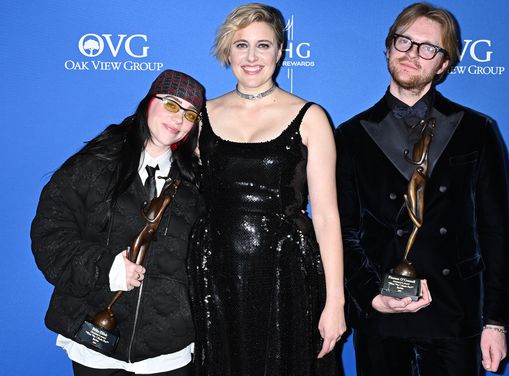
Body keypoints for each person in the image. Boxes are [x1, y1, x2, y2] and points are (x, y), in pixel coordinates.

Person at [335, 3, 509, 376]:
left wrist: (494, 322)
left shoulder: (477, 130)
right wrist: (371, 296)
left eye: (428, 47)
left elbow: (496, 232)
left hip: (455, 311)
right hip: (383, 313)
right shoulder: (350, 136)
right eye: (404, 42)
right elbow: (342, 231)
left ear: (444, 63)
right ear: (388, 48)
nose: (412, 54)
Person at [188, 3, 346, 376]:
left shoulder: (311, 117)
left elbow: (325, 215)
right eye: (241, 45)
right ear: (228, 52)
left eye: (263, 45)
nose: (252, 56)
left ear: (280, 51)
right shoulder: (200, 117)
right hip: (217, 270)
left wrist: (335, 301)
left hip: (289, 271)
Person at [31, 69, 205, 375]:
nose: (179, 119)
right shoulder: (93, 166)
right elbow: (50, 236)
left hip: (169, 351)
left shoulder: (197, 185)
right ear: (149, 102)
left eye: (191, 114)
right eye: (172, 105)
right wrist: (105, 267)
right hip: (95, 344)